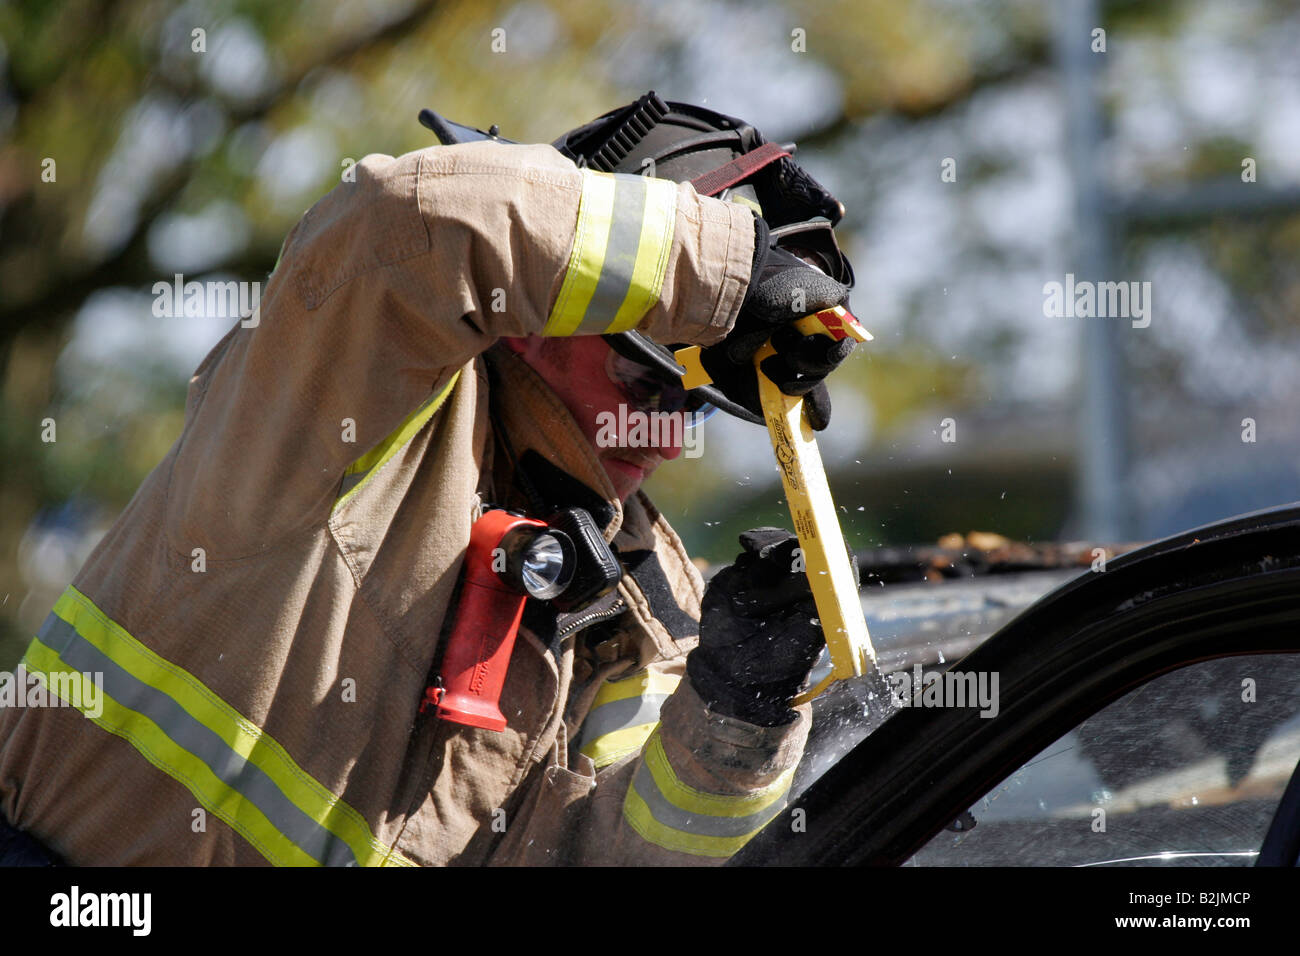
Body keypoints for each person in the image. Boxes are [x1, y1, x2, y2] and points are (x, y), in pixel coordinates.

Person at [0, 93, 857, 865]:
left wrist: (735, 714)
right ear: (536, 320)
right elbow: (401, 226)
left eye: (696, 409)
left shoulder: (648, 614)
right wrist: (720, 266)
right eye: (648, 385)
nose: (666, 439)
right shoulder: (358, 405)